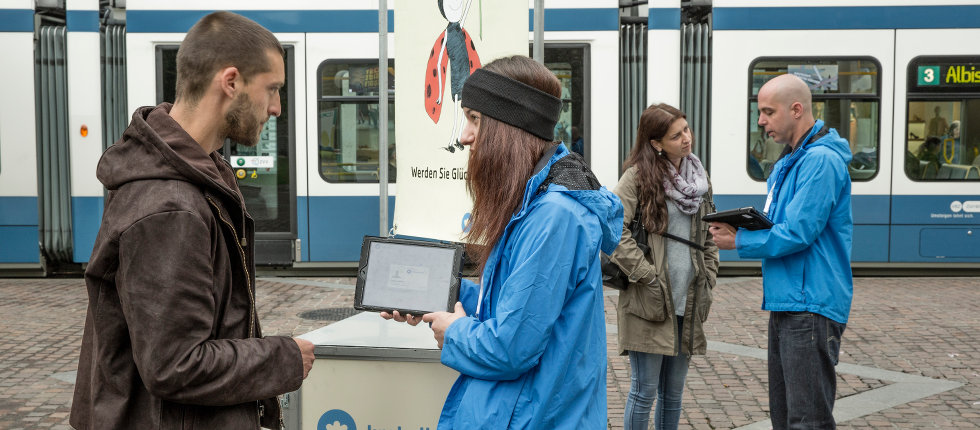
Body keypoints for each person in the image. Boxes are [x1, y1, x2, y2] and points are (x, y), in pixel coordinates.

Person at [70, 11, 315, 430]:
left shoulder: (198, 174)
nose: (276, 108)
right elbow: (175, 365)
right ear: (231, 81)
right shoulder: (171, 207)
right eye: (272, 89)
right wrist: (285, 356)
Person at [382, 55, 623, 429]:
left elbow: (510, 349)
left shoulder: (554, 217)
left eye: (475, 119)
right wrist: (438, 295)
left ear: (509, 127)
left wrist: (454, 332)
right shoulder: (534, 204)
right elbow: (514, 308)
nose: (464, 136)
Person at [709, 73, 853, 430]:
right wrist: (743, 225)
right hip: (791, 300)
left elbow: (798, 233)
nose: (761, 121)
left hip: (809, 304)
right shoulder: (792, 161)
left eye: (768, 112)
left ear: (797, 109)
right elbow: (781, 225)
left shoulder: (819, 161)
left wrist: (738, 241)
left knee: (806, 420)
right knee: (787, 416)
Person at [608, 103, 719, 430]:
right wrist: (647, 276)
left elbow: (710, 232)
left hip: (689, 297)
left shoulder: (698, 177)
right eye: (676, 135)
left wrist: (709, 275)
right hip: (649, 300)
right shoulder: (637, 178)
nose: (687, 139)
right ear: (656, 143)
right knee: (644, 392)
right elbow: (613, 230)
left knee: (673, 393)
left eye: (686, 129)